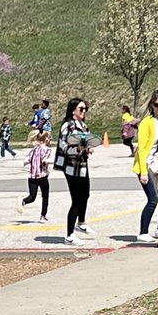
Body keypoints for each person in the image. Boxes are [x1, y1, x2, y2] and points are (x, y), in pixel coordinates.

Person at [54, 97, 94, 245]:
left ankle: (81, 223)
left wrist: (89, 148)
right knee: (76, 199)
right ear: (73, 110)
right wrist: (77, 149)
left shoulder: (83, 125)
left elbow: (87, 141)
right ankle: (69, 235)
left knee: (86, 194)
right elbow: (63, 146)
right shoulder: (68, 126)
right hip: (71, 166)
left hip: (82, 165)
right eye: (81, 109)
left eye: (85, 109)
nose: (84, 112)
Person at [133, 89, 158, 242]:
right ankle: (143, 231)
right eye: (157, 105)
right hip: (146, 163)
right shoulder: (146, 123)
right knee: (152, 199)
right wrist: (143, 172)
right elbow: (141, 148)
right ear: (151, 105)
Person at [16, 129, 52, 222]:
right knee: (45, 196)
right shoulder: (46, 149)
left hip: (32, 177)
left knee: (32, 197)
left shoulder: (34, 149)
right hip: (42, 176)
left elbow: (26, 160)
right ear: (45, 139)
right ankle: (42, 216)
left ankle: (23, 201)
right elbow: (45, 160)